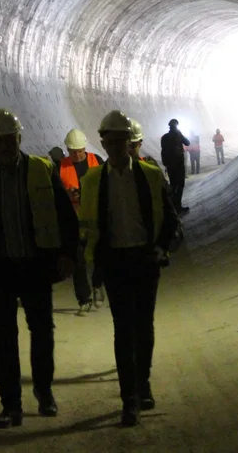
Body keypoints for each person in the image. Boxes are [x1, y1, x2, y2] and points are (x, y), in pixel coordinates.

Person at [0, 108, 79, 429]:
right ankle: (10, 405)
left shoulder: (41, 170)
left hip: (35, 267)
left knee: (41, 332)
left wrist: (69, 254)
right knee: (3, 338)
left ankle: (44, 393)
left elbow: (66, 215)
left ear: (19, 138)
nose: (3, 145)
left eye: (8, 138)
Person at [80, 110, 181, 427]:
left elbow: (168, 217)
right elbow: (88, 225)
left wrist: (160, 248)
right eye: (111, 139)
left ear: (128, 142)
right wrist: (93, 263)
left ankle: (143, 383)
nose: (117, 144)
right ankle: (130, 399)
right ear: (103, 142)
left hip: (143, 258)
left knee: (143, 327)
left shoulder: (149, 175)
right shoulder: (93, 180)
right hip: (115, 262)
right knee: (124, 330)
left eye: (122, 139)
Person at [58, 128, 102, 313]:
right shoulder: (61, 166)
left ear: (85, 148)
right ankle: (84, 299)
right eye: (72, 152)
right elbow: (55, 193)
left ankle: (98, 285)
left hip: (95, 218)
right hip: (74, 221)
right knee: (78, 259)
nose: (76, 155)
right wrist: (67, 195)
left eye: (79, 151)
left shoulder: (96, 161)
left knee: (101, 256)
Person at [160, 119, 190, 211]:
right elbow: (187, 143)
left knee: (173, 185)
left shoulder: (165, 137)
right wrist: (180, 134)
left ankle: (173, 207)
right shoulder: (178, 135)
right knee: (180, 185)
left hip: (170, 166)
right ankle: (178, 206)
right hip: (179, 164)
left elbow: (163, 151)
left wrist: (166, 163)